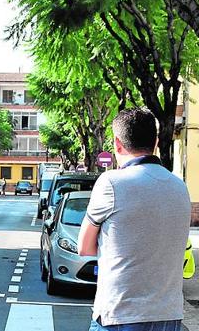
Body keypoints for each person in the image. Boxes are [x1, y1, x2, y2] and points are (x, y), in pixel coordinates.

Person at [78, 108, 191, 331]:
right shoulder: (180, 187)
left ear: (117, 144)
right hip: (169, 315)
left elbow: (84, 247)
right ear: (156, 142)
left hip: (121, 314)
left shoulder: (111, 183)